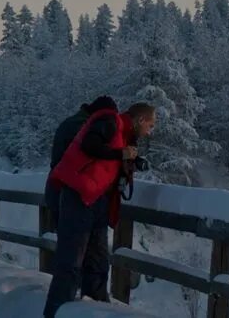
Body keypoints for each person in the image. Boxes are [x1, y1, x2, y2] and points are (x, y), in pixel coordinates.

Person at [42, 102, 157, 318]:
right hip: (78, 196)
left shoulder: (124, 135)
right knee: (70, 264)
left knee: (97, 264)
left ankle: (93, 312)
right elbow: (90, 145)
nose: (150, 131)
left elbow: (107, 158)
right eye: (150, 125)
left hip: (97, 200)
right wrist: (121, 153)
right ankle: (55, 313)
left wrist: (131, 160)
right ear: (140, 120)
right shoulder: (109, 121)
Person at [45, 96, 119, 227]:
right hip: (71, 195)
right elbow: (89, 158)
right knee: (74, 243)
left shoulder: (69, 123)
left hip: (56, 189)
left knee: (63, 240)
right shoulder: (86, 128)